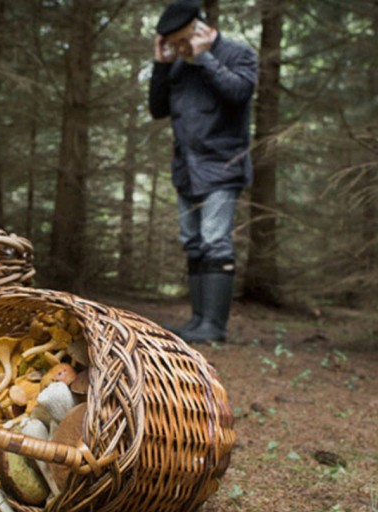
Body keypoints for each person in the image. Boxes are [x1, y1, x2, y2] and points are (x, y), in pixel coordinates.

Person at [149, 1, 258, 343]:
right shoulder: (177, 64)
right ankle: (198, 321)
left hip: (222, 167)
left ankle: (214, 326)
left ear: (200, 30)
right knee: (193, 243)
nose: (180, 49)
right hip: (187, 170)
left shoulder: (236, 53)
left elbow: (239, 93)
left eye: (183, 42)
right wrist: (161, 63)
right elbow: (157, 109)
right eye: (174, 44)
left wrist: (205, 58)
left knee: (215, 242)